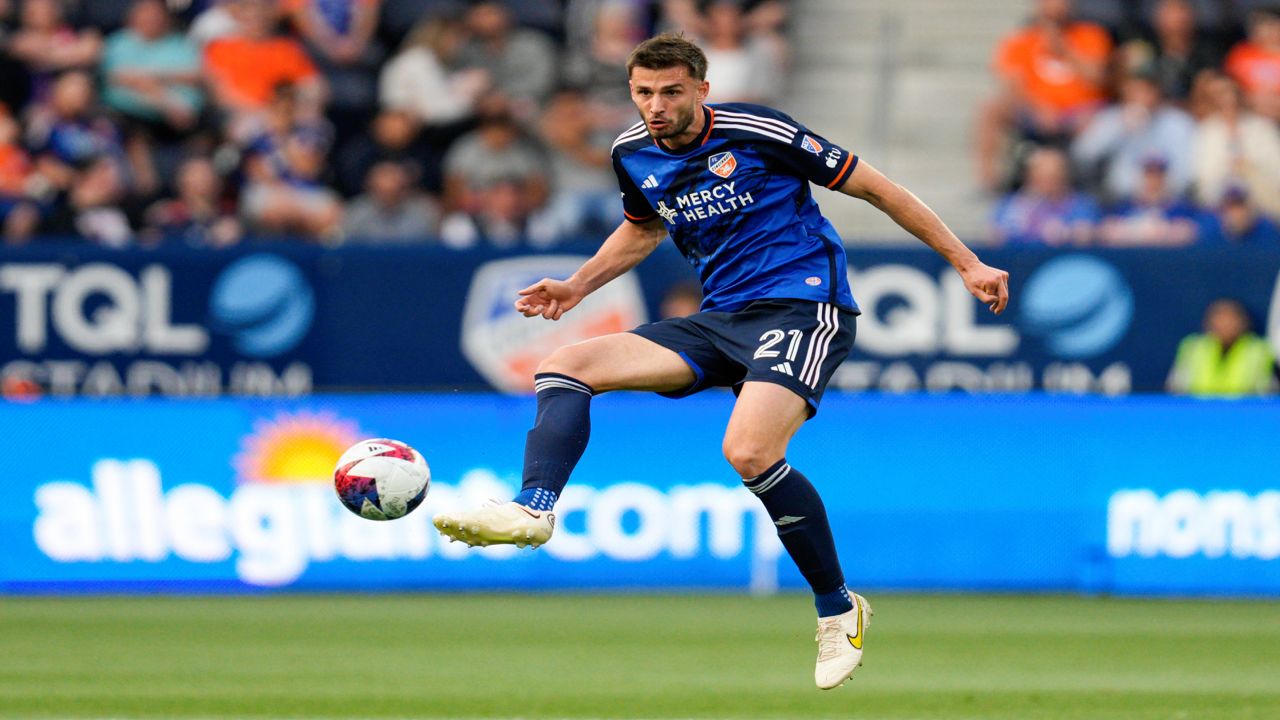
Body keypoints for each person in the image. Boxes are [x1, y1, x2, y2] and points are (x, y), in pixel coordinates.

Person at [432, 34, 1009, 691]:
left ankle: (837, 608)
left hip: (802, 308)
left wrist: (967, 262)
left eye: (672, 91)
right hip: (720, 319)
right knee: (568, 363)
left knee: (748, 450)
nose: (657, 105)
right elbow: (643, 227)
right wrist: (576, 286)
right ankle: (533, 510)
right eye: (644, 92)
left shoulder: (760, 130)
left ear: (702, 89)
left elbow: (878, 188)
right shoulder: (632, 154)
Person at [977, 0, 1112, 190]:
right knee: (990, 108)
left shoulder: (1091, 35)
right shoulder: (1022, 40)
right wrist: (1038, 108)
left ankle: (1088, 185)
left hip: (1080, 112)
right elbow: (1011, 84)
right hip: (1036, 111)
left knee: (1096, 123)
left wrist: (1065, 50)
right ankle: (988, 182)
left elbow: (1098, 80)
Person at [1070, 69, 1196, 201]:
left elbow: (1185, 171)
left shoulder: (1178, 123)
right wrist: (1119, 128)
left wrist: (1157, 192)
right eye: (1133, 91)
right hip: (1120, 202)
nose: (1139, 97)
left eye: (1145, 91)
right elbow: (1082, 154)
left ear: (1157, 92)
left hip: (1170, 202)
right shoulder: (1112, 118)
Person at [990, 146, 1097, 245]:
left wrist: (1070, 233)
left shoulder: (1081, 205)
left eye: (1053, 177)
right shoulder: (1013, 205)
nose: (1047, 185)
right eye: (1041, 178)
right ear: (1029, 178)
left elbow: (1089, 233)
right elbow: (995, 232)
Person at [1169, 299, 1276, 396]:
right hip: (1198, 413)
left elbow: (1268, 391)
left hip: (1244, 413)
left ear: (1244, 323)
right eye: (1219, 318)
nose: (1226, 324)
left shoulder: (1259, 350)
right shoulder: (1193, 348)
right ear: (1208, 322)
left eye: (1231, 318)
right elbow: (1176, 388)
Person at [1224, 7, 1280, 122]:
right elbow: (1229, 87)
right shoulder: (1240, 54)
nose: (1267, 30)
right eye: (1261, 25)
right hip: (1249, 115)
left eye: (1272, 24)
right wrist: (1250, 101)